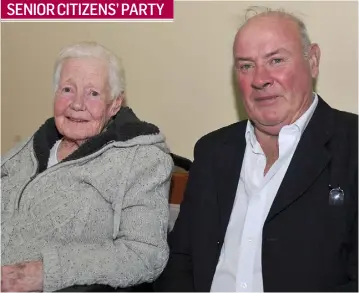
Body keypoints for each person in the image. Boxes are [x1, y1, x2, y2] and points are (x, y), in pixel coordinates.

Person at [154, 6, 358, 292]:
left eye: (275, 60)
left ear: (312, 60)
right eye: (246, 66)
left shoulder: (353, 146)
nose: (260, 79)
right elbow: (181, 260)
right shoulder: (213, 152)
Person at [1, 41, 174, 292]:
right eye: (68, 89)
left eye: (93, 93)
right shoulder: (31, 148)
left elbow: (145, 255)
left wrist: (46, 272)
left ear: (114, 104)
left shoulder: (142, 161)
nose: (77, 104)